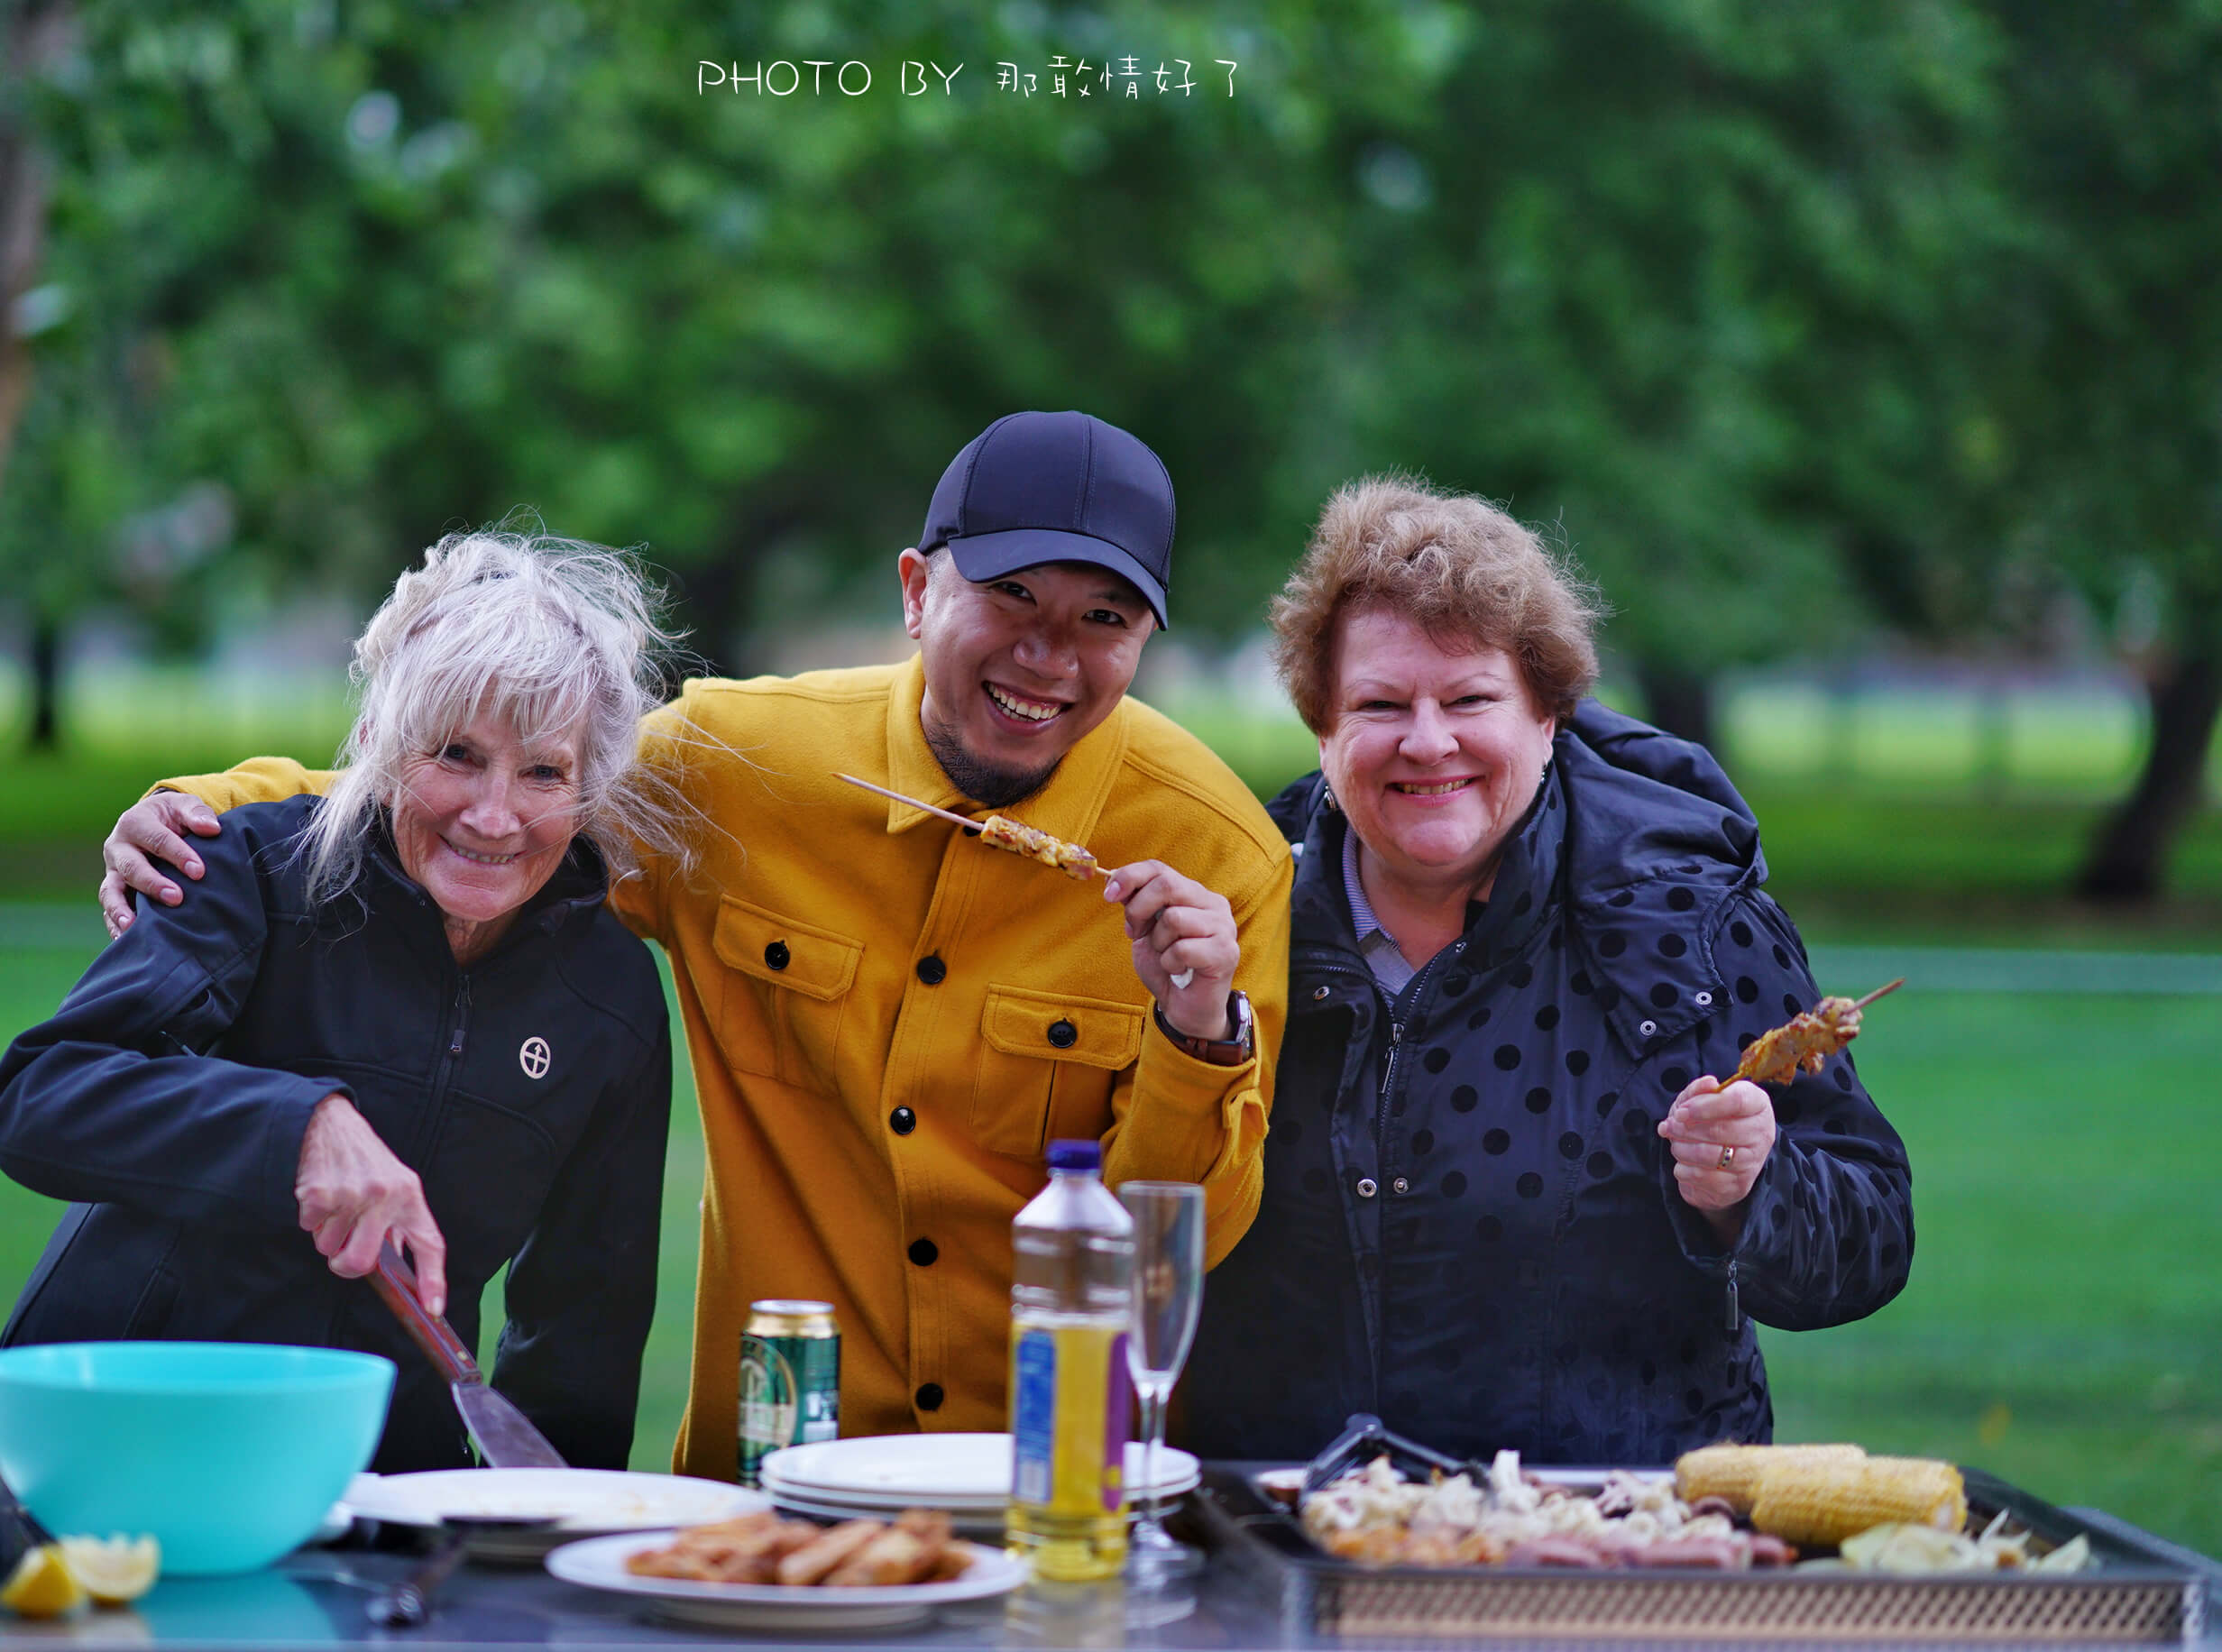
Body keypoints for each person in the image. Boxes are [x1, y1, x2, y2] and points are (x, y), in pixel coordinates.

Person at [96, 413, 1293, 1479]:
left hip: (1057, 1480)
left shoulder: (1218, 859)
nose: (1049, 654)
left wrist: (1198, 1029)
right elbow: (479, 796)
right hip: (776, 1469)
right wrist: (214, 803)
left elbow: (1168, 1252)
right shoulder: (738, 765)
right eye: (1014, 599)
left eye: (1103, 619)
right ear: (919, 589)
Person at [1183, 477, 1914, 1465]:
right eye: (1381, 703)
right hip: (1289, 1546)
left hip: (1610, 1553)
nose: (1428, 739)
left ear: (1549, 717)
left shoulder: (1688, 922)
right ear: (1323, 726)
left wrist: (1750, 1190)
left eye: (1472, 698)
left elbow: (1871, 1233)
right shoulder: (1235, 921)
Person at [0, 531, 681, 1473]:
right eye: (456, 753)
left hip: (386, 1488)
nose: (492, 812)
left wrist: (549, 1529)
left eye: (543, 772)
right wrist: (298, 1124)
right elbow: (42, 1097)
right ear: (379, 745)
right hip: (117, 1436)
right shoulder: (251, 870)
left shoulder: (611, 994)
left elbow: (582, 1325)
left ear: (589, 785)